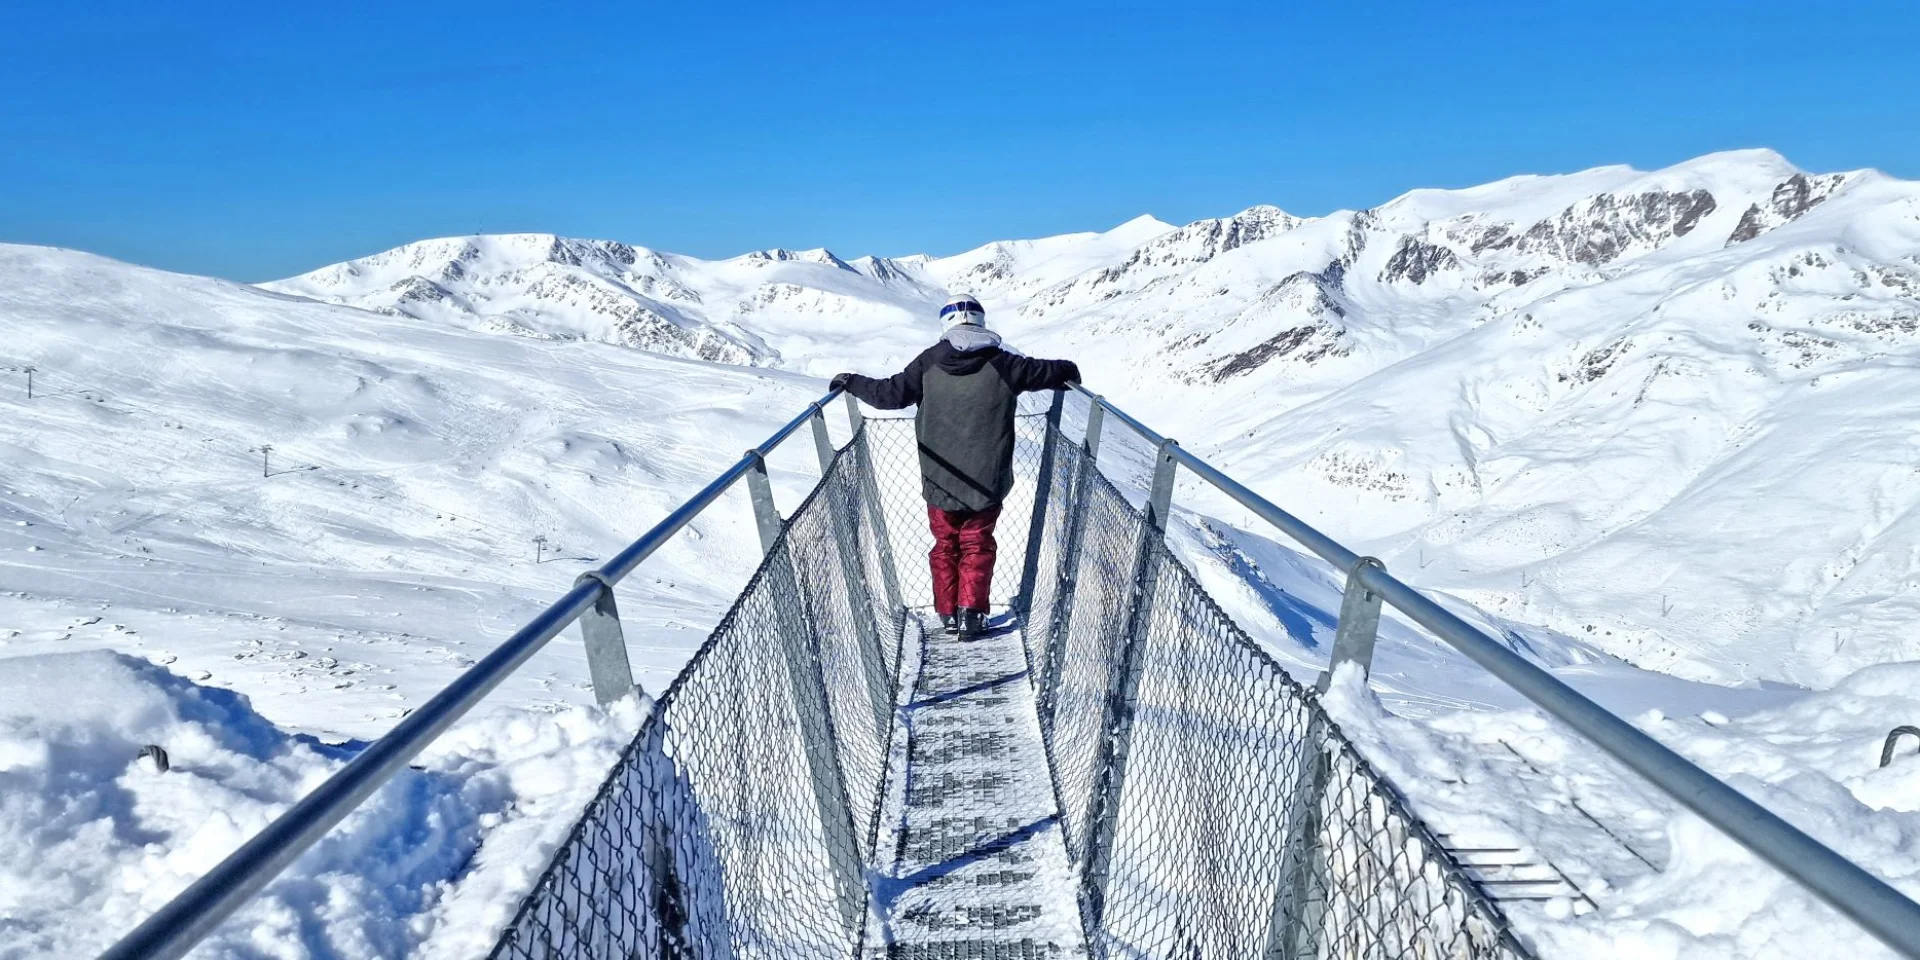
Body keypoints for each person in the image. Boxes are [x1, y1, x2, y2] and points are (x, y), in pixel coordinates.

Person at [832, 294, 1081, 637]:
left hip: (940, 478)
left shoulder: (929, 362)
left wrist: (851, 380)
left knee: (945, 543)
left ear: (945, 324)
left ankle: (947, 613)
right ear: (980, 321)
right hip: (987, 478)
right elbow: (1047, 372)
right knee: (977, 543)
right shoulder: (1005, 364)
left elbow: (889, 394)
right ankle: (972, 614)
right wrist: (1069, 371)